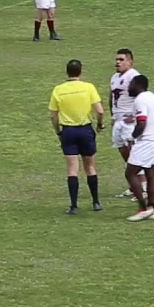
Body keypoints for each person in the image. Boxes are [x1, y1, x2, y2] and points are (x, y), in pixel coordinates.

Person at [49, 59, 105, 214]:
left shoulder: (58, 90)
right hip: (85, 130)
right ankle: (96, 202)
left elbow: (53, 116)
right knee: (90, 167)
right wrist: (99, 124)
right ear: (80, 72)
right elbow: (100, 111)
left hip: (68, 131)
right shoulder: (88, 87)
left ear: (67, 72)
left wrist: (58, 131)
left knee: (72, 169)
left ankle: (74, 205)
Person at [124, 74, 154, 222]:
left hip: (146, 141)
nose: (128, 87)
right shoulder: (151, 96)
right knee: (151, 174)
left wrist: (131, 137)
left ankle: (142, 208)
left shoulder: (140, 99)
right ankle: (152, 209)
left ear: (138, 84)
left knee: (130, 173)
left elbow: (142, 123)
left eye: (131, 84)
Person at [109, 49, 144, 201]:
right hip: (118, 119)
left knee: (134, 153)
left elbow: (141, 96)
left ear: (130, 62)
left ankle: (142, 187)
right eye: (117, 59)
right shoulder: (114, 77)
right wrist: (112, 114)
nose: (118, 62)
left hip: (129, 121)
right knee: (124, 151)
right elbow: (110, 95)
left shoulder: (134, 76)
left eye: (121, 59)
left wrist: (135, 115)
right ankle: (133, 185)